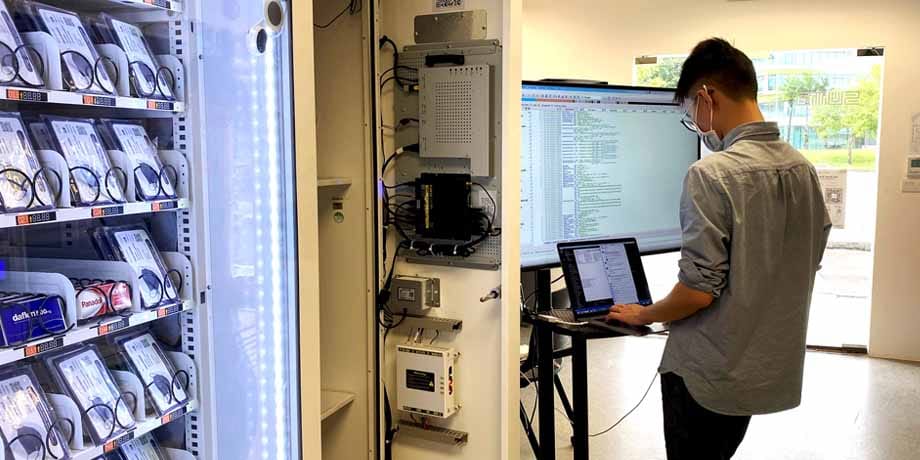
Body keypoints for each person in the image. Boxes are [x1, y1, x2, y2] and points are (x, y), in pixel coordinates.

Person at [607, 38, 832, 459]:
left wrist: (646, 314)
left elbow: (697, 291)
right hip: (759, 370)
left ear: (707, 95)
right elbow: (808, 260)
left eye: (691, 109)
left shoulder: (711, 174)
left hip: (706, 376)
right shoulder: (804, 170)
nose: (696, 121)